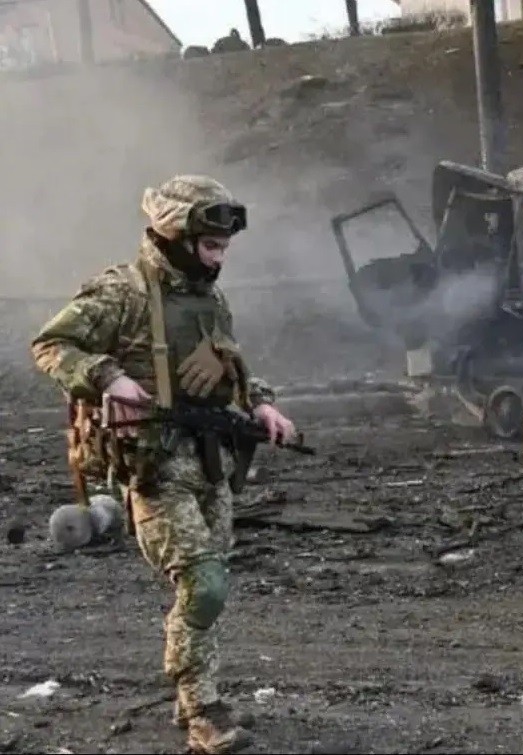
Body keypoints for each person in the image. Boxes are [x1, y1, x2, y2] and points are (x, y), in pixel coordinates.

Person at [30, 174, 297, 754]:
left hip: (210, 462)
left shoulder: (208, 296)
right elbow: (51, 345)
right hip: (154, 464)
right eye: (210, 241)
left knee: (211, 586)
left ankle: (193, 689)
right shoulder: (121, 293)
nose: (220, 253)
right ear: (176, 233)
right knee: (203, 584)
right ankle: (202, 708)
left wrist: (263, 404)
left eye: (225, 242)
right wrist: (110, 376)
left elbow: (230, 363)